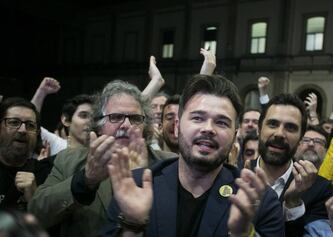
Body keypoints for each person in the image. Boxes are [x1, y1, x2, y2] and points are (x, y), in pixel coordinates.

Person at [102, 75, 285, 237]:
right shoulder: (135, 186)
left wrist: (244, 234)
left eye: (221, 122)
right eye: (197, 118)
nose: (208, 129)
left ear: (235, 134)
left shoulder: (260, 202)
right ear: (177, 126)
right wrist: (133, 226)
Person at [28, 80, 178, 237]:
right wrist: (85, 180)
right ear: (99, 124)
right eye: (116, 117)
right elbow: (36, 214)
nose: (126, 124)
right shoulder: (68, 160)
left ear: (144, 125)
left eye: (135, 118)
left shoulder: (169, 164)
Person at [251, 93, 333, 237]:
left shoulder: (319, 189)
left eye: (290, 127)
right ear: (259, 129)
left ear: (301, 138)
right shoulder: (233, 175)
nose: (279, 134)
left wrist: (293, 203)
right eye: (273, 124)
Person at [0, 98, 52, 210]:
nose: (23, 130)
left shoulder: (48, 175)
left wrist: (34, 199)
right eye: (14, 122)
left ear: (37, 133)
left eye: (30, 125)